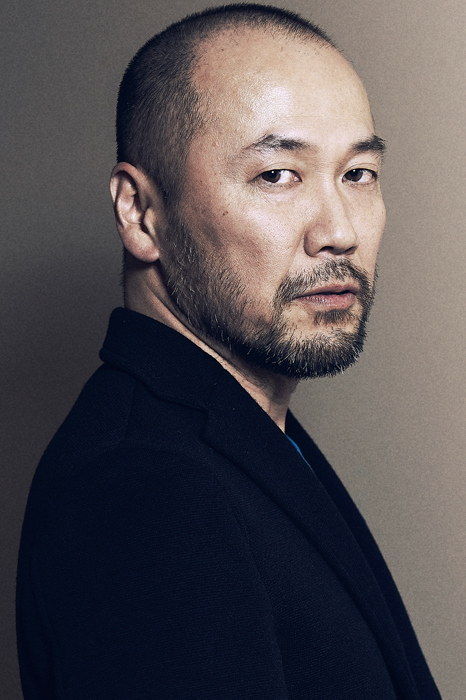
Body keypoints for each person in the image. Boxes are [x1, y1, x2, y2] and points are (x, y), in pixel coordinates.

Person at [16, 4, 441, 699]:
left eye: (358, 173)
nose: (339, 231)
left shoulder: (246, 436)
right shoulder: (144, 488)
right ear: (139, 212)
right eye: (277, 175)